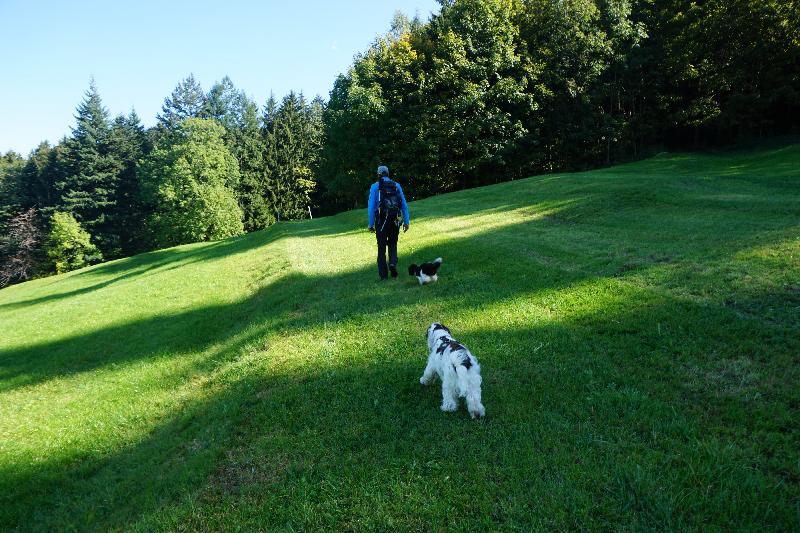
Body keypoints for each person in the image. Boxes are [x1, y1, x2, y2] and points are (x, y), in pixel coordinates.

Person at [368, 165, 410, 280]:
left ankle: (383, 276)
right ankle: (392, 263)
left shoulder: (375, 186)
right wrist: (406, 222)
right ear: (388, 173)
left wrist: (371, 224)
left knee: (381, 247)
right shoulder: (396, 185)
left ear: (378, 175)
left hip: (381, 220)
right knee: (392, 243)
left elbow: (371, 207)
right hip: (395, 218)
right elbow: (404, 205)